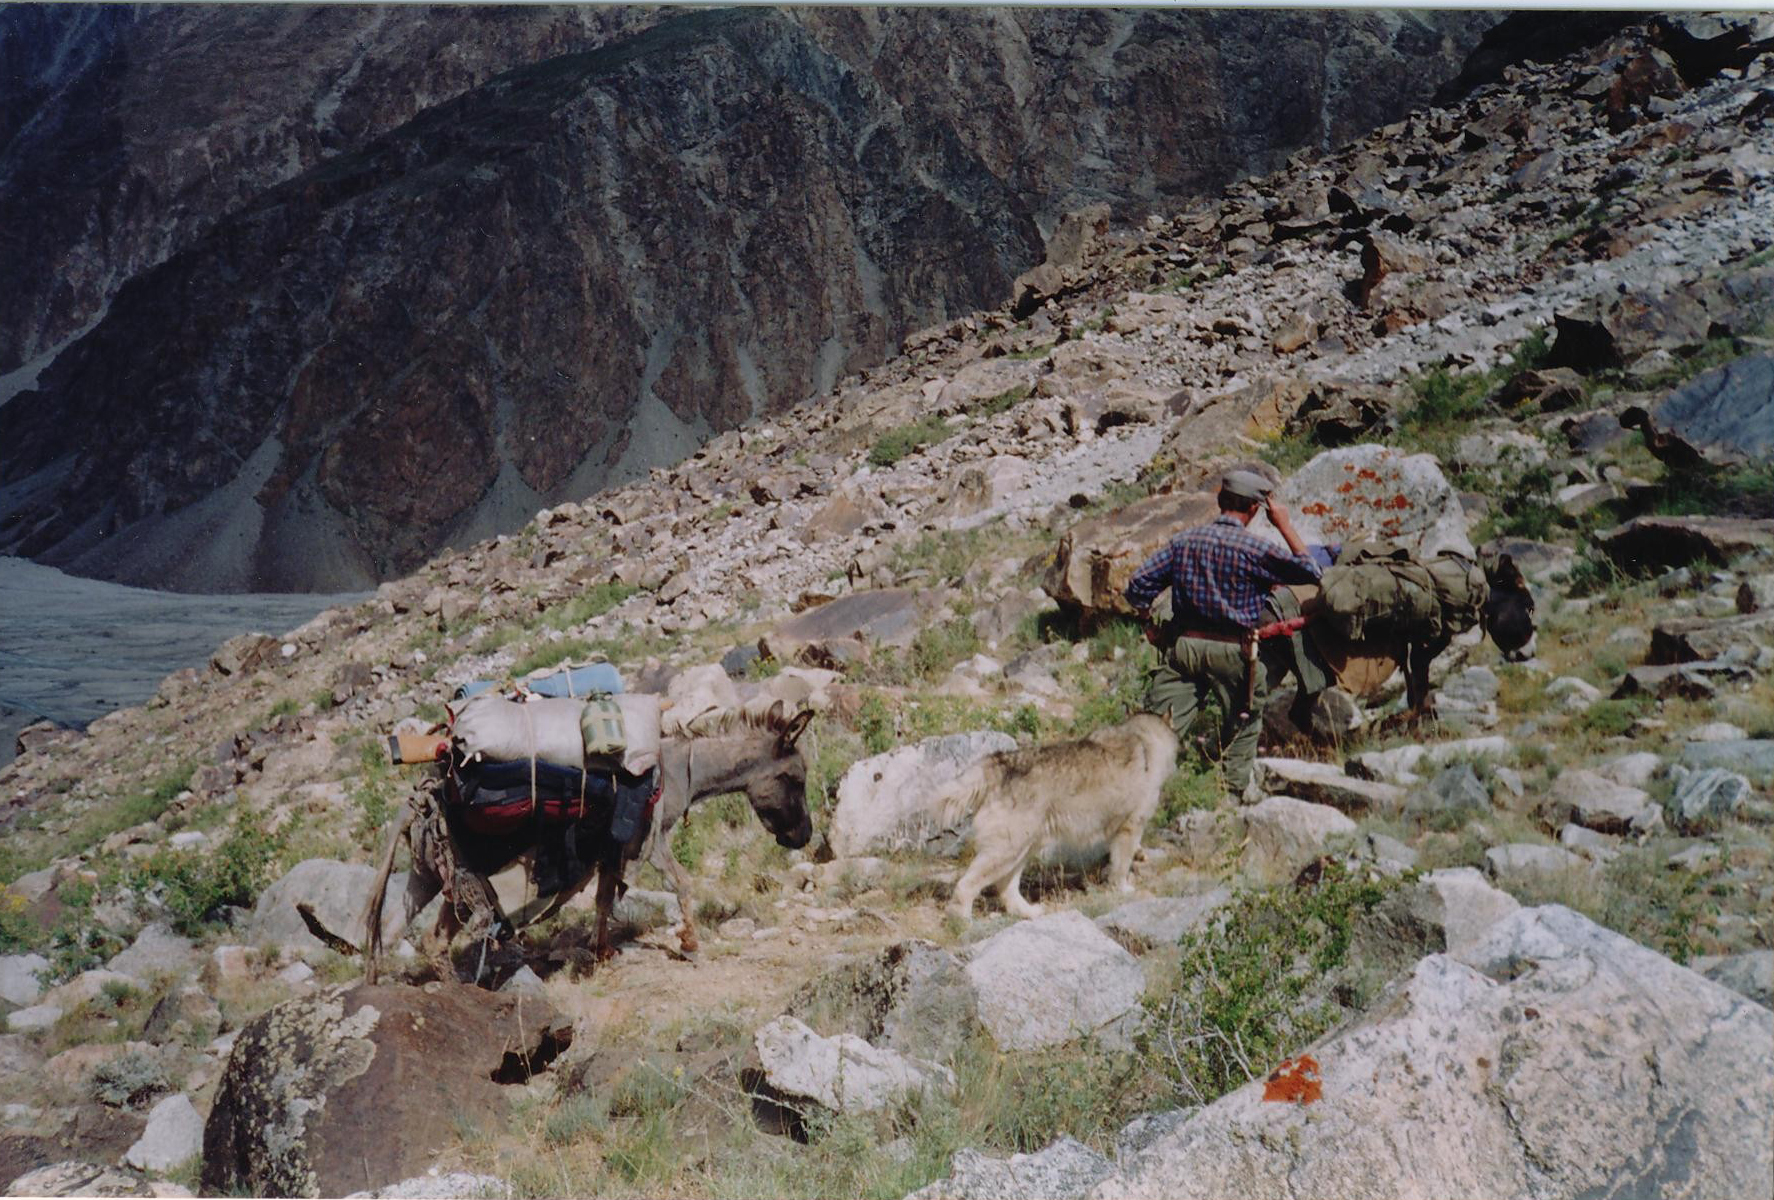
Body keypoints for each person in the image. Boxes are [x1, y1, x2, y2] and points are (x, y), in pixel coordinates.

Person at [1124, 470, 1325, 802]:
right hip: (1237, 651)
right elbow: (1311, 572)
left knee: (1155, 727)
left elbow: (1138, 585)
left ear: (1220, 501)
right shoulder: (1256, 548)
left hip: (1184, 646)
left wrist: (1149, 623)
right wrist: (1285, 525)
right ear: (1256, 509)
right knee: (1244, 722)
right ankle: (1229, 797)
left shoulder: (1184, 541)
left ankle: (1137, 791)